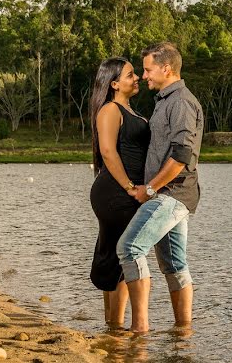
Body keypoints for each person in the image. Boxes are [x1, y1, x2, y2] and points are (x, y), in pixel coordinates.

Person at [117, 42, 203, 332]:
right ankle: (183, 333)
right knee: (173, 264)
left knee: (129, 248)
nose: (143, 76)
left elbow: (181, 155)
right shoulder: (166, 100)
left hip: (171, 194)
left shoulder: (180, 102)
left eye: (148, 69)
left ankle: (139, 329)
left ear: (166, 68)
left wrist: (149, 190)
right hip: (171, 194)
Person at [89, 57, 150, 329]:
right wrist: (129, 188)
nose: (136, 78)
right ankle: (116, 327)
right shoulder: (110, 110)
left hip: (126, 191)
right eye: (130, 75)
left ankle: (112, 325)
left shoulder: (132, 112)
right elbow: (107, 152)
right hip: (116, 191)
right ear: (114, 84)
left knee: (115, 254)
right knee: (122, 257)